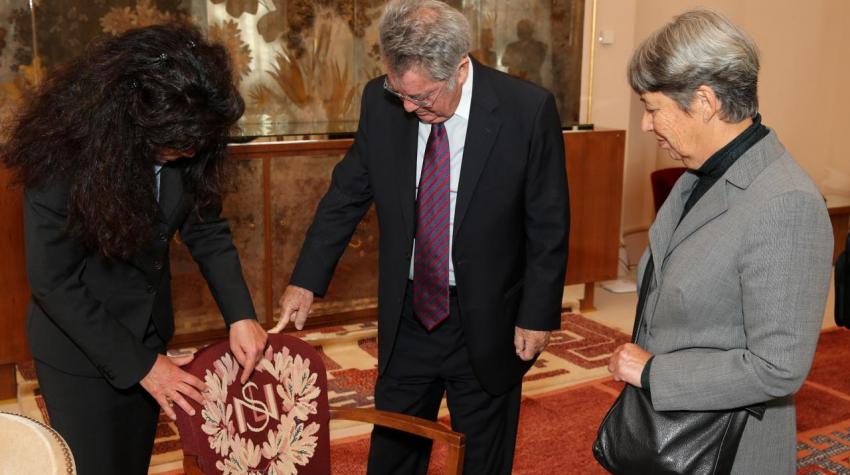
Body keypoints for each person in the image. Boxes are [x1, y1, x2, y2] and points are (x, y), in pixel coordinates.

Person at [270, 0, 570, 473]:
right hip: (411, 313)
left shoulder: (525, 110)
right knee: (392, 453)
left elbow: (548, 223)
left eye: (424, 97)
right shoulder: (380, 101)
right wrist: (306, 280)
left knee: (482, 457)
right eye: (400, 91)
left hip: (489, 316)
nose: (409, 107)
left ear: (460, 68)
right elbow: (346, 195)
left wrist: (537, 315)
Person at [1, 25, 268, 475]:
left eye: (196, 145)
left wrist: (241, 315)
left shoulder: (189, 135)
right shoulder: (61, 161)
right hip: (81, 350)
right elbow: (55, 284)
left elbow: (207, 230)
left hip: (149, 332)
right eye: (174, 145)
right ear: (126, 120)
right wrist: (143, 366)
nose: (187, 153)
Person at [607, 9, 833, 474]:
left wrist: (652, 372)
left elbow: (778, 367)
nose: (647, 126)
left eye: (653, 109)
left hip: (728, 449)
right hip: (672, 431)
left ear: (705, 102)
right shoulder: (697, 178)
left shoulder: (785, 203)